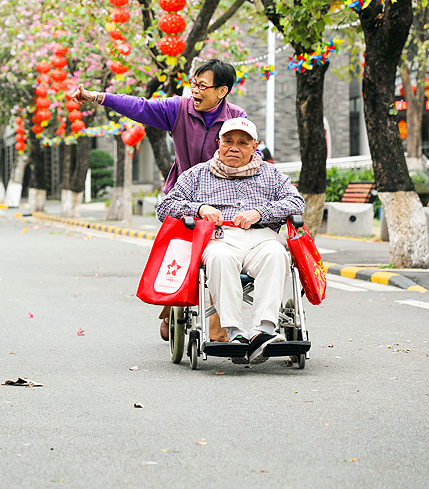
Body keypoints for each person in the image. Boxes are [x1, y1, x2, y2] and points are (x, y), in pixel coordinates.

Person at [71, 59, 247, 342]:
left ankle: (219, 330)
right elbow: (140, 106)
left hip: (223, 198)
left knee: (220, 252)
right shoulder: (178, 108)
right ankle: (171, 308)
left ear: (222, 91)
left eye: (203, 86)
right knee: (180, 250)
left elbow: (251, 153)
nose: (195, 90)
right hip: (185, 196)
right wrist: (97, 97)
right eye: (194, 84)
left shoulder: (236, 117)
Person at [157, 117, 305, 364]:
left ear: (254, 146)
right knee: (219, 257)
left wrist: (262, 212)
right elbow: (165, 207)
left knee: (277, 254)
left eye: (243, 142)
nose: (234, 147)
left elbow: (296, 202)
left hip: (262, 236)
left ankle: (263, 331)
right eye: (228, 141)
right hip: (219, 238)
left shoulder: (271, 174)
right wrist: (200, 208)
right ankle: (235, 333)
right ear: (218, 143)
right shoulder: (197, 174)